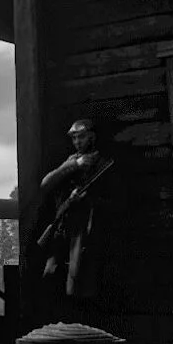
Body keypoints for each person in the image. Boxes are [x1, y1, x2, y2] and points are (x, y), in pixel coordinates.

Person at [39, 118, 109, 302]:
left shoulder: (103, 162)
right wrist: (74, 166)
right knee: (51, 273)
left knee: (78, 280)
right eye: (75, 138)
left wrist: (88, 199)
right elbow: (46, 184)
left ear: (91, 137)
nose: (77, 142)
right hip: (64, 223)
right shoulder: (72, 160)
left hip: (87, 227)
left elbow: (112, 196)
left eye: (82, 137)